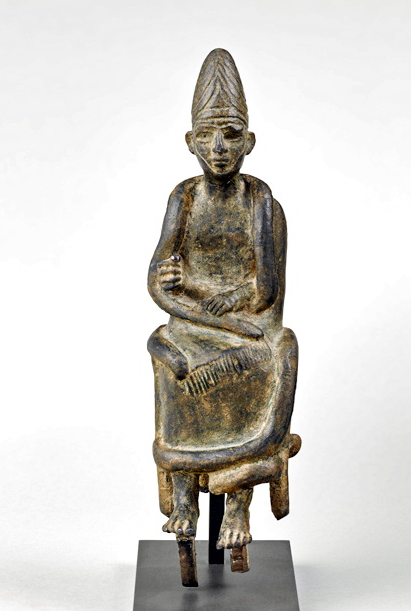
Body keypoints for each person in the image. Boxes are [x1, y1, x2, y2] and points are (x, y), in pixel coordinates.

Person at [147, 49, 300, 574]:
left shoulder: (259, 199)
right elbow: (157, 278)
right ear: (190, 141)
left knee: (271, 358)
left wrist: (232, 300)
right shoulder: (184, 197)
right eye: (207, 136)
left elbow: (266, 285)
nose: (218, 148)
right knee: (172, 359)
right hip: (194, 326)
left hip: (247, 328)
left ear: (249, 142)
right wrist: (176, 289)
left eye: (231, 135)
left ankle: (236, 502)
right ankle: (185, 496)